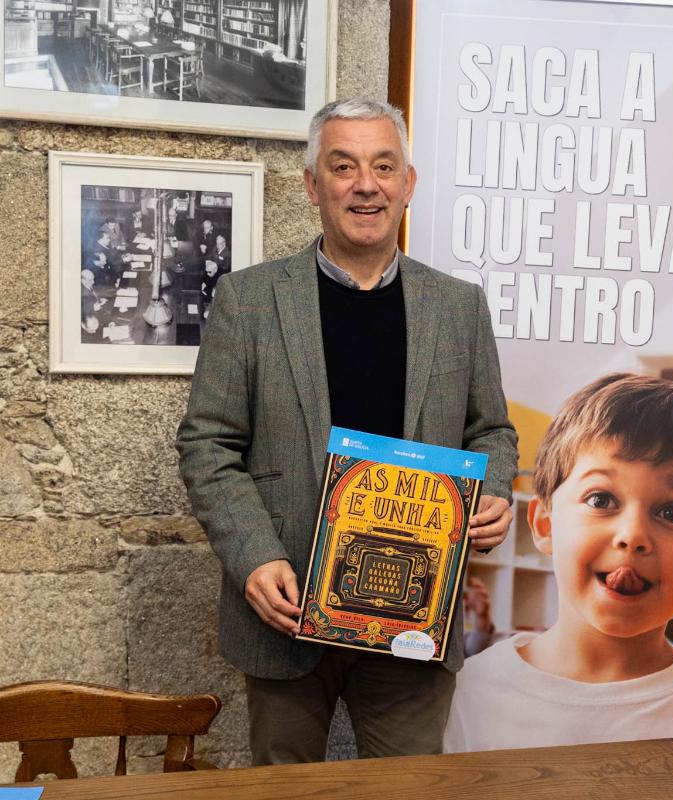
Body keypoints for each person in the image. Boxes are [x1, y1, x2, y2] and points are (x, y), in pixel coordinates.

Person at [176, 97, 518, 766]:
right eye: (344, 167)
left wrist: (495, 491)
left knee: (410, 790)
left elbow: (492, 431)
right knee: (284, 791)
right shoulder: (248, 300)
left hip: (417, 611)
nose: (367, 185)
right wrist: (255, 558)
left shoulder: (458, 306)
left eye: (384, 166)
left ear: (408, 184)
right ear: (313, 184)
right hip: (287, 607)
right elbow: (207, 445)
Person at [444, 373, 673, 786]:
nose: (633, 535)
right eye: (601, 499)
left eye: (672, 512)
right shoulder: (467, 692)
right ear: (545, 525)